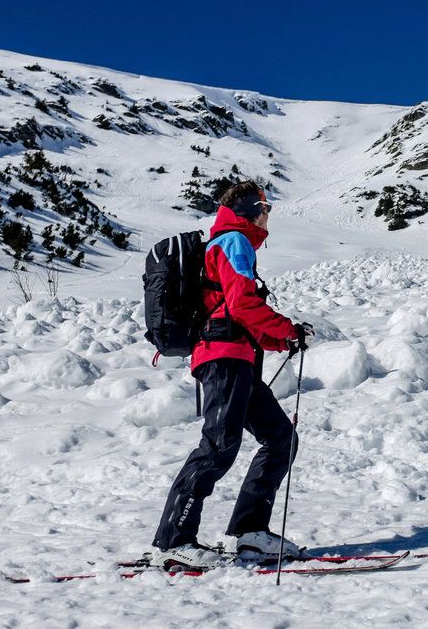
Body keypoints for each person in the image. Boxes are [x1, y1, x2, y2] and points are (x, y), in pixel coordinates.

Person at [151, 180, 314, 569]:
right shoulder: (233, 240)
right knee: (218, 447)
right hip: (224, 359)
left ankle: (251, 532)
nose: (268, 213)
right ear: (249, 208)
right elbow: (241, 304)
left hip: (236, 356)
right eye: (265, 205)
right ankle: (175, 540)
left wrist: (282, 340)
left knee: (280, 439)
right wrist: (288, 328)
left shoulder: (233, 241)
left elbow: (235, 311)